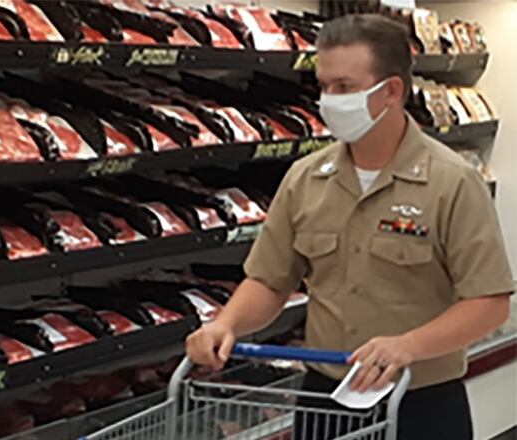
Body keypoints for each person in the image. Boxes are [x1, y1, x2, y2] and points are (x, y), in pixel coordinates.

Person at [185, 13, 513, 440]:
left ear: (391, 90)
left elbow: (489, 302)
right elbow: (269, 279)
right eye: (323, 87)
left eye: (344, 88)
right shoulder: (305, 178)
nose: (328, 100)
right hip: (326, 399)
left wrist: (408, 345)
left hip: (420, 401)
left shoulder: (451, 182)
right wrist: (225, 323)